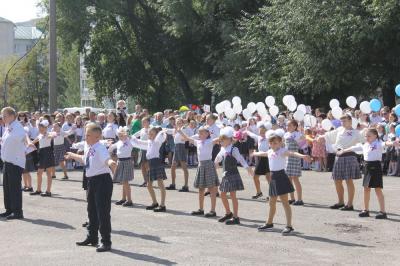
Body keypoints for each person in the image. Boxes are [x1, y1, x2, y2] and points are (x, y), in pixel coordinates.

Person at [65, 123, 117, 252]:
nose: (85, 137)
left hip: (102, 181)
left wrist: (112, 163)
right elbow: (85, 159)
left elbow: (107, 160)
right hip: (92, 180)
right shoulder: (89, 146)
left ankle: (106, 241)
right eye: (85, 134)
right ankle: (92, 237)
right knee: (91, 211)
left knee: (102, 212)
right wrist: (72, 156)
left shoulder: (100, 148)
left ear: (97, 137)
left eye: (88, 135)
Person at [254, 133, 311, 234]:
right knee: (272, 203)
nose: (273, 144)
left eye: (276, 143)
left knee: (285, 203)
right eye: (271, 143)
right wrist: (254, 153)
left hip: (281, 177)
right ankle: (269, 223)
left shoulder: (282, 151)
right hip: (273, 178)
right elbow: (262, 153)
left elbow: (292, 153)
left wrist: (303, 156)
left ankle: (289, 226)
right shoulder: (270, 151)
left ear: (280, 143)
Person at [338, 128, 388, 219]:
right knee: (366, 189)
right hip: (367, 167)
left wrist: (393, 143)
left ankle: (383, 211)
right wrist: (343, 150)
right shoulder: (365, 145)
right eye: (366, 136)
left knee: (377, 189)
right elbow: (353, 148)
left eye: (369, 136)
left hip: (375, 167)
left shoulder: (378, 143)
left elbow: (386, 143)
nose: (367, 137)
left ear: (375, 136)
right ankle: (365, 210)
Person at [318, 114, 364, 211]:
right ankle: (340, 202)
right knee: (337, 180)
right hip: (339, 157)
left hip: (349, 157)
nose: (342, 123)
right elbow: (328, 135)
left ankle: (350, 204)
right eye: (342, 121)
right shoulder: (339, 130)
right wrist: (320, 137)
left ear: (350, 121)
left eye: (344, 121)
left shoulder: (356, 132)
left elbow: (365, 140)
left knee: (349, 181)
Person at [214, 126, 254, 225]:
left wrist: (247, 167)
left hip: (233, 174)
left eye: (223, 140)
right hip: (225, 175)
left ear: (229, 140)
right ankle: (228, 213)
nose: (221, 141)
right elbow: (218, 157)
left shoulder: (233, 149)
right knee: (222, 194)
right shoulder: (223, 149)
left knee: (233, 195)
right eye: (221, 140)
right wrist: (215, 163)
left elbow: (241, 159)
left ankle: (236, 217)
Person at [178, 126, 220, 217]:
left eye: (201, 133)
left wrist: (227, 132)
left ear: (207, 134)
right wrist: (179, 131)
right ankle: (201, 209)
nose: (199, 134)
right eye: (199, 133)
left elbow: (220, 138)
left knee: (212, 188)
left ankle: (213, 210)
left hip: (208, 164)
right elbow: (187, 138)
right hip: (201, 165)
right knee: (201, 189)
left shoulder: (210, 141)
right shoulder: (198, 142)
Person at [131, 127, 168, 212]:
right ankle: (155, 202)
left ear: (156, 135)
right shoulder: (149, 142)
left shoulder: (157, 141)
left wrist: (161, 132)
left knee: (160, 184)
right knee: (149, 185)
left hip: (157, 162)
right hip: (150, 163)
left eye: (152, 134)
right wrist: (130, 137)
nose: (149, 135)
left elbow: (162, 135)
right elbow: (138, 142)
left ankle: (162, 205)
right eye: (149, 133)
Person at [0, 107, 27, 220]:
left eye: (4, 116)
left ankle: (17, 212)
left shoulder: (17, 127)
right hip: (7, 161)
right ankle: (9, 210)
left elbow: (21, 138)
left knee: (14, 188)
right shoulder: (8, 127)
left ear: (11, 116)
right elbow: (6, 140)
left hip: (15, 162)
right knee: (7, 188)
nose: (2, 118)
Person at [29, 120, 56, 197]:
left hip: (48, 153)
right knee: (39, 173)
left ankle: (48, 191)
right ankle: (38, 190)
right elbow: (32, 143)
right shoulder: (39, 135)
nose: (40, 129)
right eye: (39, 127)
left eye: (42, 127)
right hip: (41, 154)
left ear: (46, 127)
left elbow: (53, 135)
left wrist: (51, 135)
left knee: (48, 173)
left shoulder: (48, 134)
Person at [109, 127, 134, 207]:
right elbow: (112, 147)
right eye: (119, 135)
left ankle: (129, 200)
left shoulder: (129, 140)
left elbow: (131, 136)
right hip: (120, 161)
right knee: (123, 181)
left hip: (127, 161)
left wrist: (126, 134)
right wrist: (108, 145)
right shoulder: (119, 142)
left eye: (122, 134)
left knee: (125, 181)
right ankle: (124, 198)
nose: (120, 136)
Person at [245, 123, 270, 199]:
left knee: (268, 178)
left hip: (267, 158)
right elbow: (251, 134)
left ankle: (271, 194)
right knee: (255, 177)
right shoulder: (259, 138)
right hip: (260, 158)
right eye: (260, 132)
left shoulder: (269, 138)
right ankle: (259, 192)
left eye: (263, 132)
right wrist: (246, 130)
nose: (261, 133)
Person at [165, 118, 190, 192]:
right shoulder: (175, 130)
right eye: (177, 123)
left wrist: (179, 130)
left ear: (182, 123)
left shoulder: (184, 129)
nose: (178, 124)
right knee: (173, 167)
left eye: (180, 122)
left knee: (184, 167)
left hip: (181, 147)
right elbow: (167, 131)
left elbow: (186, 138)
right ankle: (173, 184)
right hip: (176, 147)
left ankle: (186, 186)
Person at [284, 120, 305, 205]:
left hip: (295, 157)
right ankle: (292, 198)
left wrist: (301, 137)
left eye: (289, 125)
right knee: (288, 179)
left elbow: (303, 143)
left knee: (295, 178)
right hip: (287, 158)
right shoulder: (286, 134)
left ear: (295, 126)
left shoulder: (298, 134)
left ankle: (299, 199)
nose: (287, 127)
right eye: (287, 125)